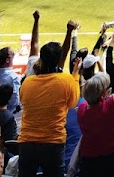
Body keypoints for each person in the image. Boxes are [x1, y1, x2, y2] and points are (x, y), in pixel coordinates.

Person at [18, 40, 81, 176]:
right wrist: (75, 74)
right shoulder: (67, 80)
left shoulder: (27, 82)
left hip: (27, 142)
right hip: (53, 142)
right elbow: (73, 103)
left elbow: (23, 101)